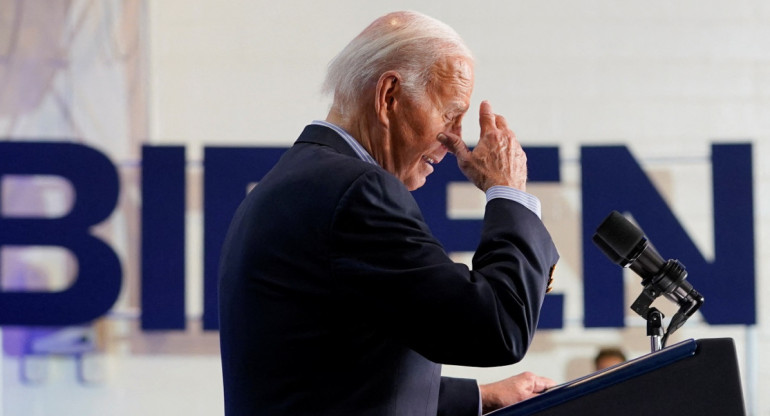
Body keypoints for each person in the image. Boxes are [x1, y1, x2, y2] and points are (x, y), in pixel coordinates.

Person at [218, 10, 560, 416]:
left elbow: (329, 376)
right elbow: (496, 328)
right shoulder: (356, 193)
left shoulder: (294, 182)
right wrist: (507, 192)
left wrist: (480, 397)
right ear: (389, 96)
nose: (455, 138)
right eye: (450, 114)